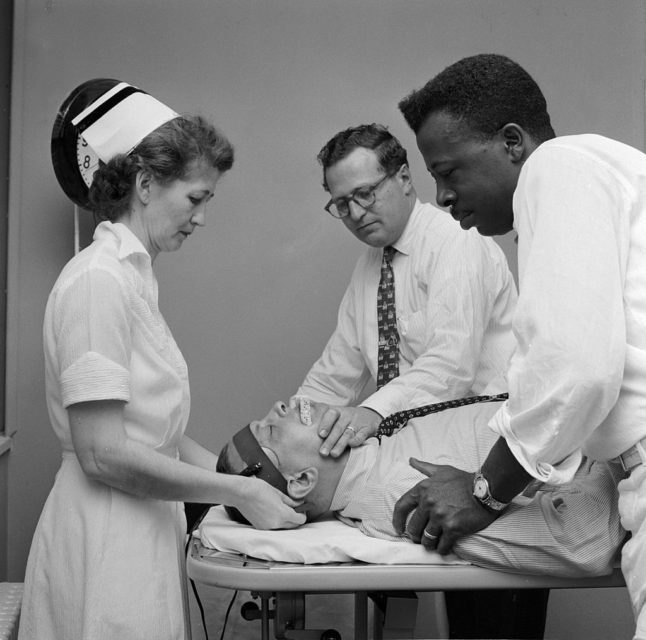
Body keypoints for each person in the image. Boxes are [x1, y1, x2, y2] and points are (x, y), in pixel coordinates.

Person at [18, 82, 304, 640]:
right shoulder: (98, 282)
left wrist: (248, 479)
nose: (202, 218)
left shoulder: (132, 280)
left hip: (141, 531)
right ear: (145, 184)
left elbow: (159, 440)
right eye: (196, 199)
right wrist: (238, 492)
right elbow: (103, 453)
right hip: (104, 538)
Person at [392, 53, 646, 639]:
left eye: (448, 171)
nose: (442, 197)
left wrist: (485, 491)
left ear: (512, 142)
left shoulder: (557, 166)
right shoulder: (610, 173)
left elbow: (574, 369)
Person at [215, 394, 624, 576]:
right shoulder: (404, 498)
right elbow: (581, 539)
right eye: (269, 430)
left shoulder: (384, 445)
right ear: (302, 481)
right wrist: (619, 440)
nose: (279, 407)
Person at [296, 124, 517, 458]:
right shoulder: (369, 268)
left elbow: (450, 368)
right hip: (417, 448)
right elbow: (335, 373)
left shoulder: (457, 241)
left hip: (493, 443)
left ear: (403, 179)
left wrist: (372, 413)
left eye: (365, 194)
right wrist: (287, 430)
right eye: (342, 204)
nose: (355, 213)